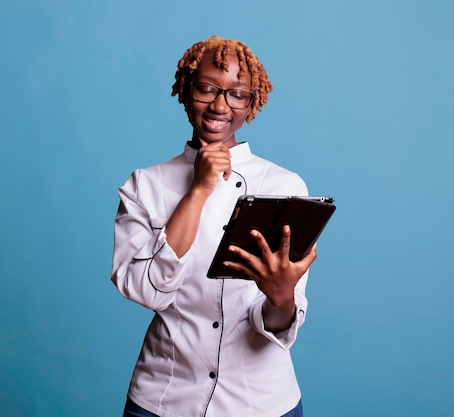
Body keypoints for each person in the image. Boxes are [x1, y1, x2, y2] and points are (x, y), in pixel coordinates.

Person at [111, 35, 316, 417]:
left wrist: (281, 296)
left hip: (262, 404)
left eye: (236, 94)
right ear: (186, 91)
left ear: (250, 103)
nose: (220, 105)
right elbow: (146, 291)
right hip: (163, 401)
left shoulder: (284, 188)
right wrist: (199, 190)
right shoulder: (145, 186)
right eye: (206, 89)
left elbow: (275, 323)